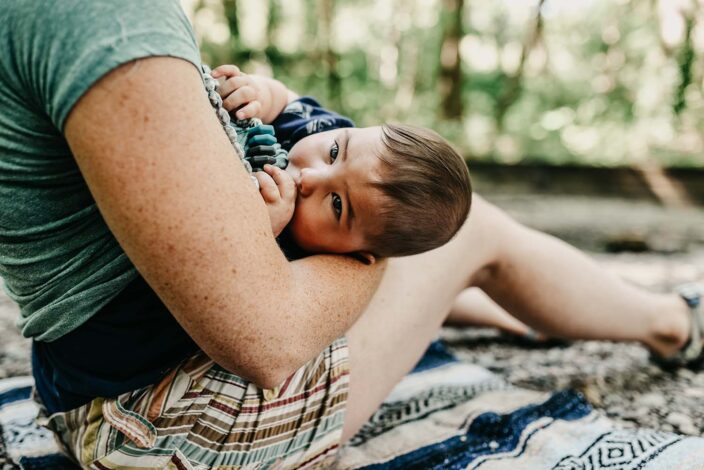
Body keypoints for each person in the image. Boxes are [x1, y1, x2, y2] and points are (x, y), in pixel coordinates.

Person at [1, 1, 701, 469]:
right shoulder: (104, 22)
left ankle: (511, 314)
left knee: (422, 218)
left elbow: (314, 132)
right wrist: (357, 247)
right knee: (463, 229)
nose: (308, 175)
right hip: (164, 430)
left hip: (94, 399)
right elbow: (267, 333)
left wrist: (276, 108)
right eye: (331, 155)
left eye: (335, 198)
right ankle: (673, 324)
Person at [210, 64, 472, 264]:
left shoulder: (308, 260)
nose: (310, 178)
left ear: (356, 256)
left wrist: (262, 233)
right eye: (334, 152)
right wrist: (257, 94)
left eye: (337, 204)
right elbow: (284, 96)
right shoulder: (320, 126)